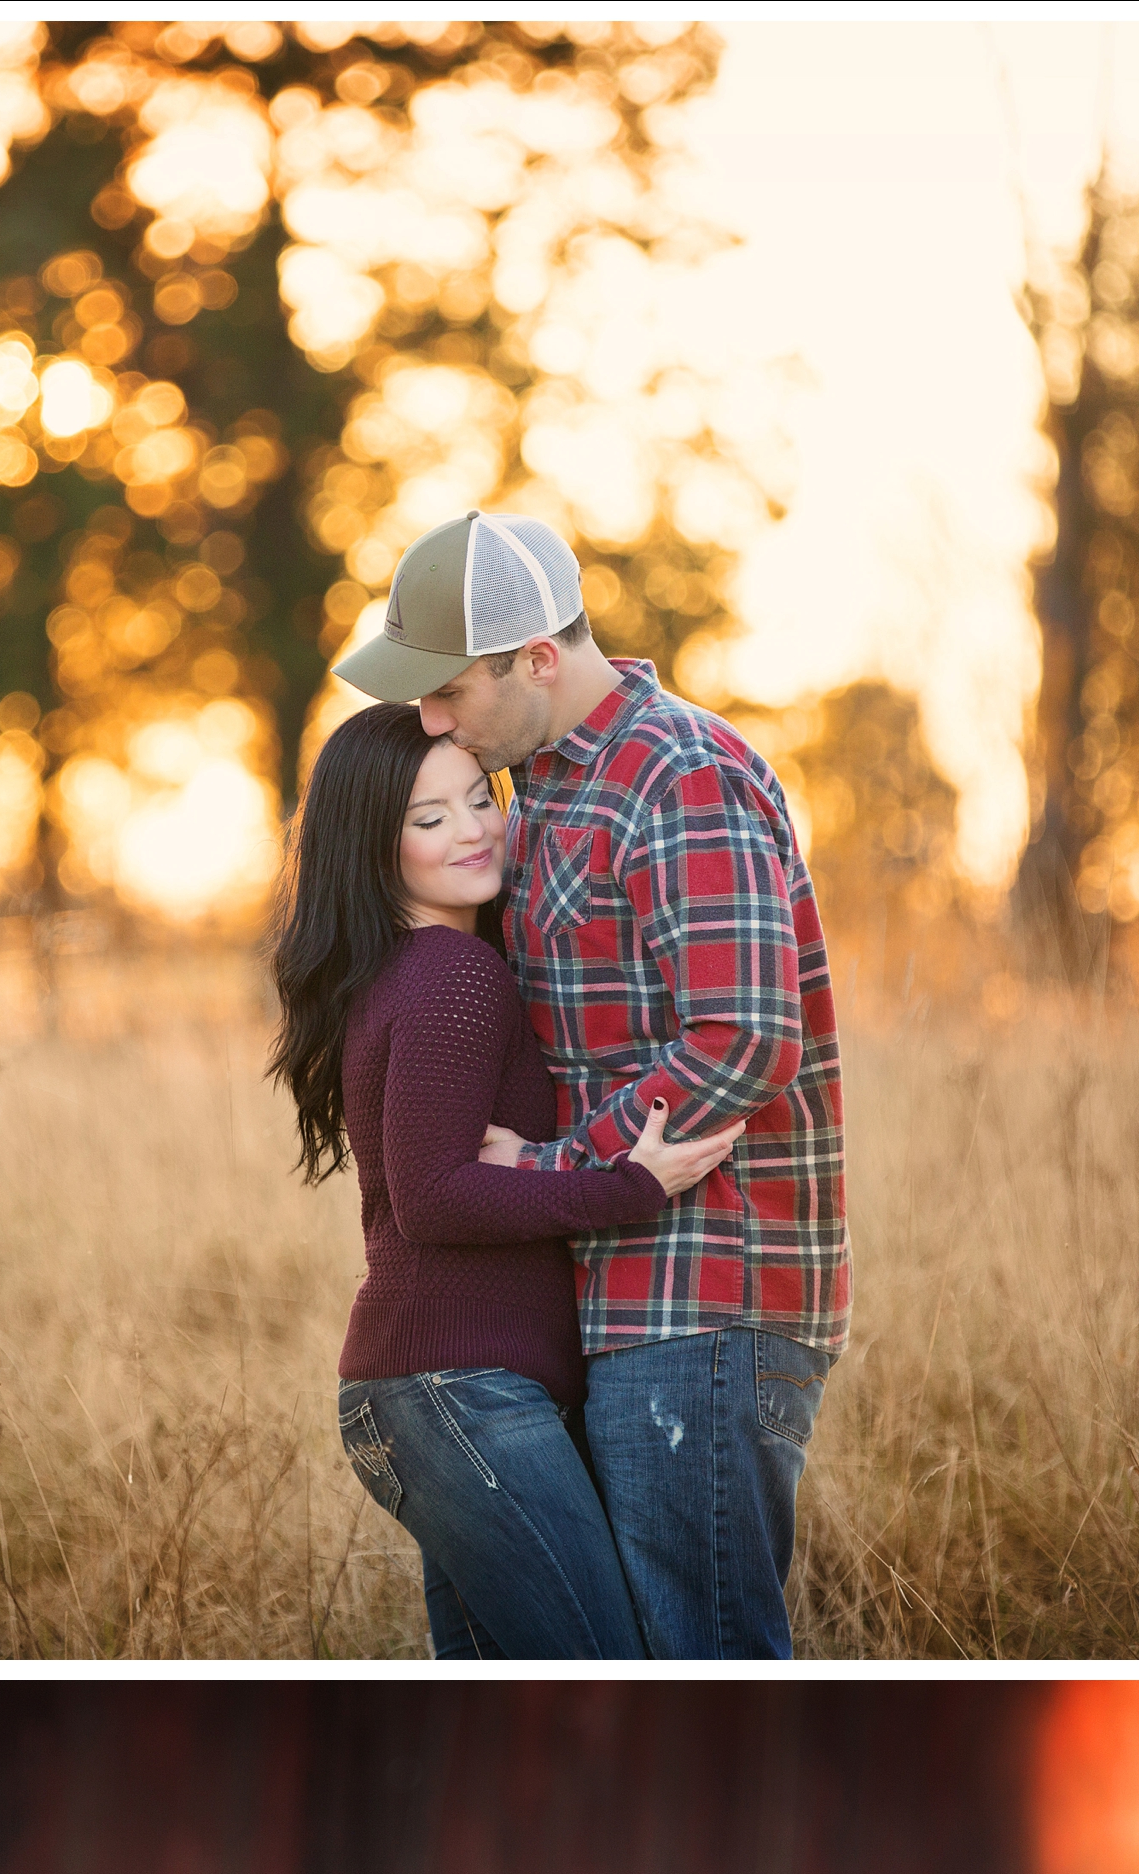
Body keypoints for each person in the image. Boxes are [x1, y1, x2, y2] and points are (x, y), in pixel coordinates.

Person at [337, 506, 851, 1660]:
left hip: (706, 1292)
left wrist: (571, 1164)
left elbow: (741, 1036)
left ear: (534, 659)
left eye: (448, 688)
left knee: (695, 1658)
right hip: (612, 1300)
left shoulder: (677, 773)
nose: (429, 719)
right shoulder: (545, 792)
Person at [270, 700, 730, 1658]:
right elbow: (434, 1196)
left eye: (482, 799)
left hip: (438, 1391)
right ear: (373, 844)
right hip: (458, 1390)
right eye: (429, 818)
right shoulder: (452, 977)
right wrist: (628, 1185)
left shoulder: (412, 969)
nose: (475, 831)